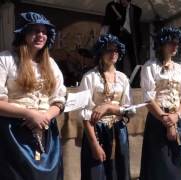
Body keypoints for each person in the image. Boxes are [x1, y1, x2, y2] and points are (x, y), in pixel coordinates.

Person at [0, 12, 66, 180]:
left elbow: (59, 100)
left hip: (46, 132)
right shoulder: (6, 59)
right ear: (24, 33)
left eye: (44, 32)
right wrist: (29, 113)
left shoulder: (51, 64)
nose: (40, 35)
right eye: (35, 31)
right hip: (13, 133)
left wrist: (45, 116)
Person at [80, 33, 133, 180]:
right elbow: (85, 114)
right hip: (96, 131)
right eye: (109, 50)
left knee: (119, 172)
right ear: (100, 53)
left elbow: (130, 110)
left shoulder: (123, 78)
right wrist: (95, 145)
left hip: (118, 131)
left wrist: (109, 108)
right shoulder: (90, 77)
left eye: (116, 50)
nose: (113, 53)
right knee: (96, 173)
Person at [139, 27, 181, 180]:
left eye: (177, 43)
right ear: (162, 44)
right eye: (171, 43)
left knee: (178, 164)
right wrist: (166, 120)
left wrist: (177, 116)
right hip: (158, 120)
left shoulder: (179, 69)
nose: (175, 46)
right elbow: (148, 98)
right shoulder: (150, 66)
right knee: (159, 165)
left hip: (178, 119)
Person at [101, 0, 142, 78]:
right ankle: (118, 77)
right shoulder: (116, 7)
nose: (122, 2)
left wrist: (130, 7)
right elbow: (109, 19)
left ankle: (136, 80)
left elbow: (137, 19)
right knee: (118, 58)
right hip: (120, 35)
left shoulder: (136, 10)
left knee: (134, 59)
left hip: (132, 37)